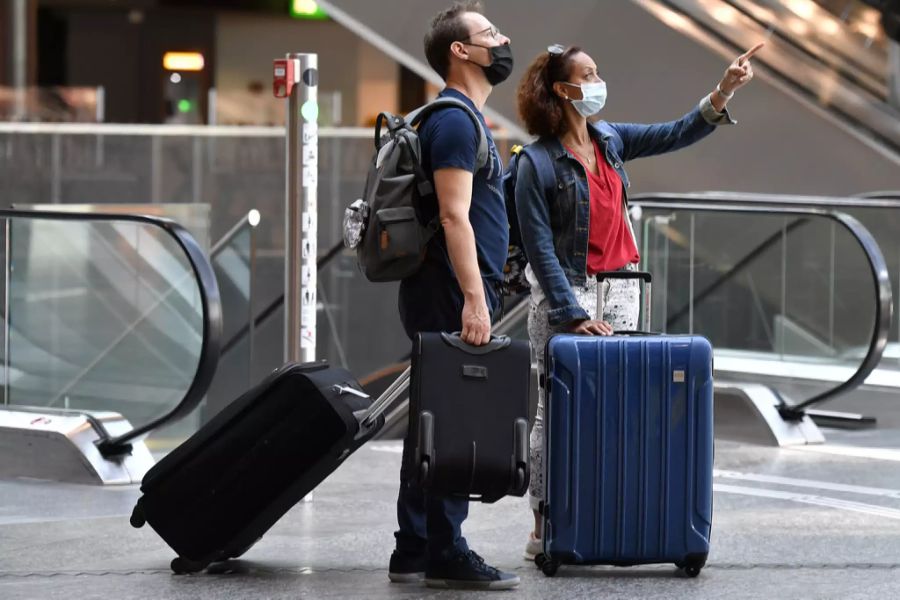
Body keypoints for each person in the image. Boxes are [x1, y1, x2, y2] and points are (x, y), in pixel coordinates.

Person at [514, 41, 764, 560]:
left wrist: (724, 91)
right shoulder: (535, 163)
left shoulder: (608, 140)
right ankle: (544, 523)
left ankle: (606, 510)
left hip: (624, 289)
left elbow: (675, 133)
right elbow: (539, 248)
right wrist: (574, 314)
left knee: (617, 408)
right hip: (569, 295)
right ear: (563, 90)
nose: (599, 81)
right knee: (552, 412)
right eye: (589, 74)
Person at [388, 1, 519, 590]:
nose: (503, 39)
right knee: (453, 416)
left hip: (440, 286)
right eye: (489, 34)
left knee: (430, 417)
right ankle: (446, 549)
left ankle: (414, 545)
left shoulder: (450, 117)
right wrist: (474, 298)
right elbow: (453, 215)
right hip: (449, 289)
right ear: (460, 52)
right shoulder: (456, 121)